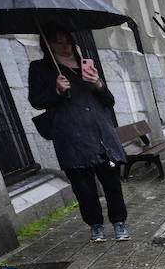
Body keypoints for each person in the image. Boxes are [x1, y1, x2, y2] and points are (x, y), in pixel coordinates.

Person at [28, 25, 129, 242]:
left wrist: (98, 83)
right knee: (84, 188)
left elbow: (109, 101)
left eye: (67, 41)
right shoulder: (41, 68)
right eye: (58, 42)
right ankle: (95, 225)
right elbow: (36, 102)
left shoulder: (86, 66)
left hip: (101, 135)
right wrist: (56, 90)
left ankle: (119, 221)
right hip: (71, 137)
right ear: (48, 45)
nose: (64, 46)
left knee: (112, 183)